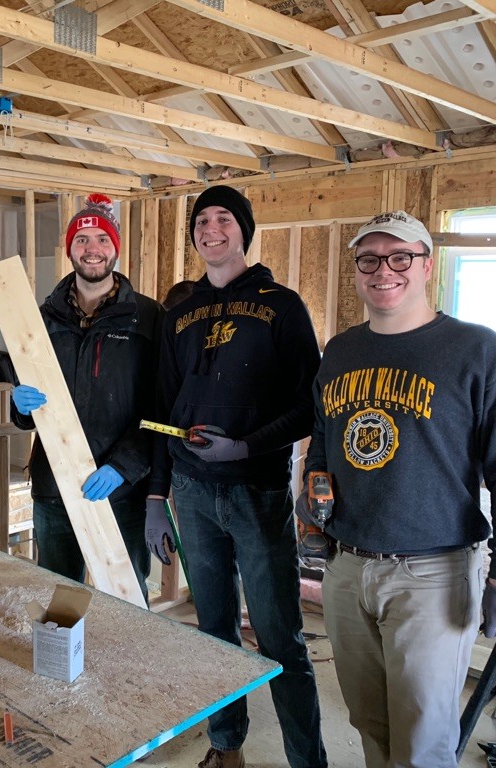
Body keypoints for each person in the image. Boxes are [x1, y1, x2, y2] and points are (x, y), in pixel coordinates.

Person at [299, 210, 496, 767]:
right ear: (357, 269)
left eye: (400, 257)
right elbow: (322, 444)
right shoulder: (340, 351)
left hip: (431, 576)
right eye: (369, 259)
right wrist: (312, 504)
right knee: (370, 724)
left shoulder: (476, 351)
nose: (383, 270)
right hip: (347, 571)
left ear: (426, 265)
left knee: (422, 741)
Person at [146, 185, 327, 768]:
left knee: (280, 640)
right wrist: (157, 493)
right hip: (193, 494)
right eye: (202, 220)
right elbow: (162, 411)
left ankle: (308, 761)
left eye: (224, 219)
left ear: (243, 231)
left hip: (258, 493)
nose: (211, 229)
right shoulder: (178, 314)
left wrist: (246, 446)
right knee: (213, 631)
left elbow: (310, 405)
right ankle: (227, 751)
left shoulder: (281, 305)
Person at [10, 193, 163, 602]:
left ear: (114, 248)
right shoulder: (41, 318)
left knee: (127, 600)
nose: (92, 249)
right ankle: (63, 665)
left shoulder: (148, 318)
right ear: (70, 250)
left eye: (101, 239)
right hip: (54, 486)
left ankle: (130, 668)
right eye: (82, 240)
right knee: (60, 597)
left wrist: (124, 466)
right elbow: (31, 411)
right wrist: (19, 406)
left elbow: (160, 407)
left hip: (122, 490)